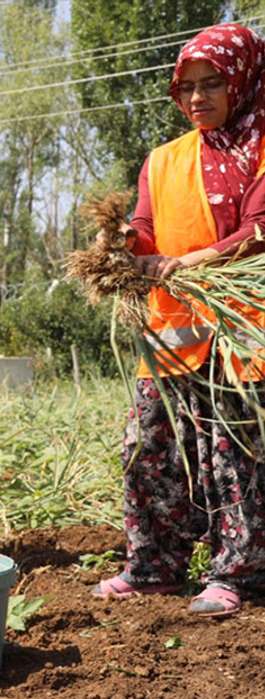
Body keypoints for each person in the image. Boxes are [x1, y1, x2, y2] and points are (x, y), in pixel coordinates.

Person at [89, 23, 265, 618]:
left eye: (211, 83)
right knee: (149, 445)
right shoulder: (164, 160)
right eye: (184, 87)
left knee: (235, 451)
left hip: (245, 328)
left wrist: (184, 264)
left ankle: (237, 571)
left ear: (241, 80)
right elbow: (146, 230)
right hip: (175, 328)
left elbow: (259, 232)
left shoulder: (264, 145)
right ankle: (153, 566)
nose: (196, 98)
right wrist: (120, 241)